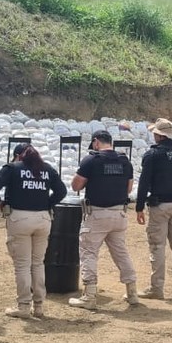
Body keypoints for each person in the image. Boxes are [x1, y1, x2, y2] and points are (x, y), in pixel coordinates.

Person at [0, 144, 66, 319]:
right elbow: (62, 191)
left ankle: (23, 306)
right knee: (38, 263)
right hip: (43, 219)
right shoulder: (47, 169)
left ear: (17, 156)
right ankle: (38, 306)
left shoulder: (12, 168)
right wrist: (48, 204)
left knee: (22, 265)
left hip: (19, 218)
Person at [69, 130, 139, 310]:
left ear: (96, 142)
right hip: (119, 214)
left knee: (89, 252)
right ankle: (132, 293)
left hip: (97, 215)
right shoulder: (124, 161)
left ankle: (89, 295)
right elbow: (129, 188)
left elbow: (76, 185)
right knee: (121, 253)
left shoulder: (91, 160)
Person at [134, 118, 172, 298]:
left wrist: (139, 207)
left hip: (161, 205)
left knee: (157, 246)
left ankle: (156, 288)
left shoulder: (153, 155)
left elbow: (144, 183)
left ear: (159, 135)